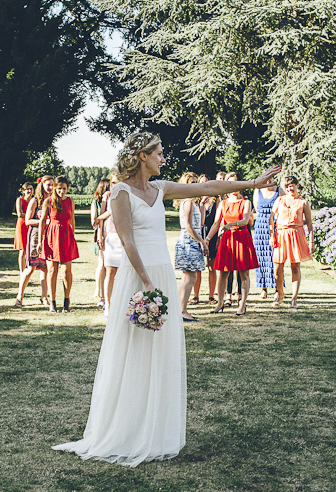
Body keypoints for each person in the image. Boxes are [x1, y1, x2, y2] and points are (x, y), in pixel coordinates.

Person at [52, 131, 280, 467]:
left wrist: (253, 183)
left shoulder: (160, 188)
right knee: (132, 350)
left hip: (160, 275)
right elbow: (128, 242)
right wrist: (146, 282)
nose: (163, 157)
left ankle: (152, 429)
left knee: (160, 352)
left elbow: (207, 189)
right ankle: (124, 429)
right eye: (159, 152)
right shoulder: (120, 193)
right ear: (142, 156)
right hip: (138, 277)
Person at [206, 173, 260, 316]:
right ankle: (220, 303)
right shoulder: (223, 203)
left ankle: (242, 304)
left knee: (244, 274)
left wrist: (230, 224)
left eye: (235, 183)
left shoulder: (246, 202)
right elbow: (217, 223)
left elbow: (245, 220)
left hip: (242, 237)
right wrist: (207, 238)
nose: (232, 187)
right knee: (223, 273)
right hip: (227, 240)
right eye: (229, 183)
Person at [270, 175, 314, 309]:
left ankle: (294, 298)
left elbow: (310, 224)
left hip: (296, 234)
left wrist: (311, 242)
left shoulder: (303, 202)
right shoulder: (280, 200)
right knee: (277, 267)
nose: (290, 188)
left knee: (295, 267)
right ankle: (280, 293)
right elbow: (271, 217)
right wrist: (272, 234)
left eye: (292, 185)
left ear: (297, 185)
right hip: (281, 234)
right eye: (287, 185)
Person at [39, 176, 79, 313]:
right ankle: (53, 302)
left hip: (66, 236)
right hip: (52, 236)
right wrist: (40, 240)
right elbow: (42, 221)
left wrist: (72, 237)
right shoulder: (48, 201)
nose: (62, 191)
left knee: (66, 271)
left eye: (64, 189)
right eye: (60, 188)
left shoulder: (70, 201)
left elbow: (72, 219)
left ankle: (67, 301)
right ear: (55, 188)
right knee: (52, 270)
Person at [174, 172, 207, 322]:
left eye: (196, 182)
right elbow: (188, 226)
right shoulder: (187, 201)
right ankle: (182, 310)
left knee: (188, 276)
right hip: (189, 241)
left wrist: (202, 206)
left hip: (192, 239)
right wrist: (201, 241)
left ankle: (180, 309)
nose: (195, 185)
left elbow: (199, 223)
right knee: (190, 276)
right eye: (191, 183)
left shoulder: (193, 202)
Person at [15, 175, 53, 307]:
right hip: (35, 236)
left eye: (52, 185)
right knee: (31, 267)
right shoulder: (35, 201)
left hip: (48, 236)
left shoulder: (53, 200)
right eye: (48, 185)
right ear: (42, 185)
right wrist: (43, 222)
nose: (50, 188)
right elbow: (27, 220)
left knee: (46, 268)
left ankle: (44, 297)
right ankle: (20, 296)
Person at [253, 182, 284, 298]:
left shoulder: (279, 191)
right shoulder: (258, 191)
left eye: (271, 178)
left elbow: (284, 205)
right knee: (260, 258)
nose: (268, 181)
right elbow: (256, 207)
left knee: (275, 258)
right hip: (261, 226)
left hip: (275, 225)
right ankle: (263, 288)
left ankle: (278, 288)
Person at [98, 173, 122, 317]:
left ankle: (119, 303)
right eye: (113, 183)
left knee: (123, 272)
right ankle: (108, 305)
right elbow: (103, 214)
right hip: (111, 236)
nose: (115, 185)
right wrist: (100, 234)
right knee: (110, 271)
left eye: (117, 183)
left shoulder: (128, 194)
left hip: (124, 236)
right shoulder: (107, 195)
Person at [196, 173, 219, 305]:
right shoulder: (195, 201)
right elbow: (199, 221)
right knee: (198, 267)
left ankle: (211, 296)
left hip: (212, 233)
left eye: (206, 182)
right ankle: (196, 296)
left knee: (212, 266)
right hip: (199, 233)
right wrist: (201, 204)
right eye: (201, 182)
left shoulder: (216, 201)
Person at [91, 179, 110, 308]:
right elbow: (94, 220)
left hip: (111, 234)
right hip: (101, 234)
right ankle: (98, 289)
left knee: (104, 264)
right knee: (101, 264)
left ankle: (101, 290)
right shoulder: (96, 202)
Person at [13, 182, 34, 272]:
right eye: (27, 189)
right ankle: (22, 272)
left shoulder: (33, 201)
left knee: (29, 249)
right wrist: (30, 216)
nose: (29, 191)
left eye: (31, 189)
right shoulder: (20, 200)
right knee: (22, 249)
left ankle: (27, 269)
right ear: (23, 191)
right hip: (22, 225)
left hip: (30, 225)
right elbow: (19, 214)